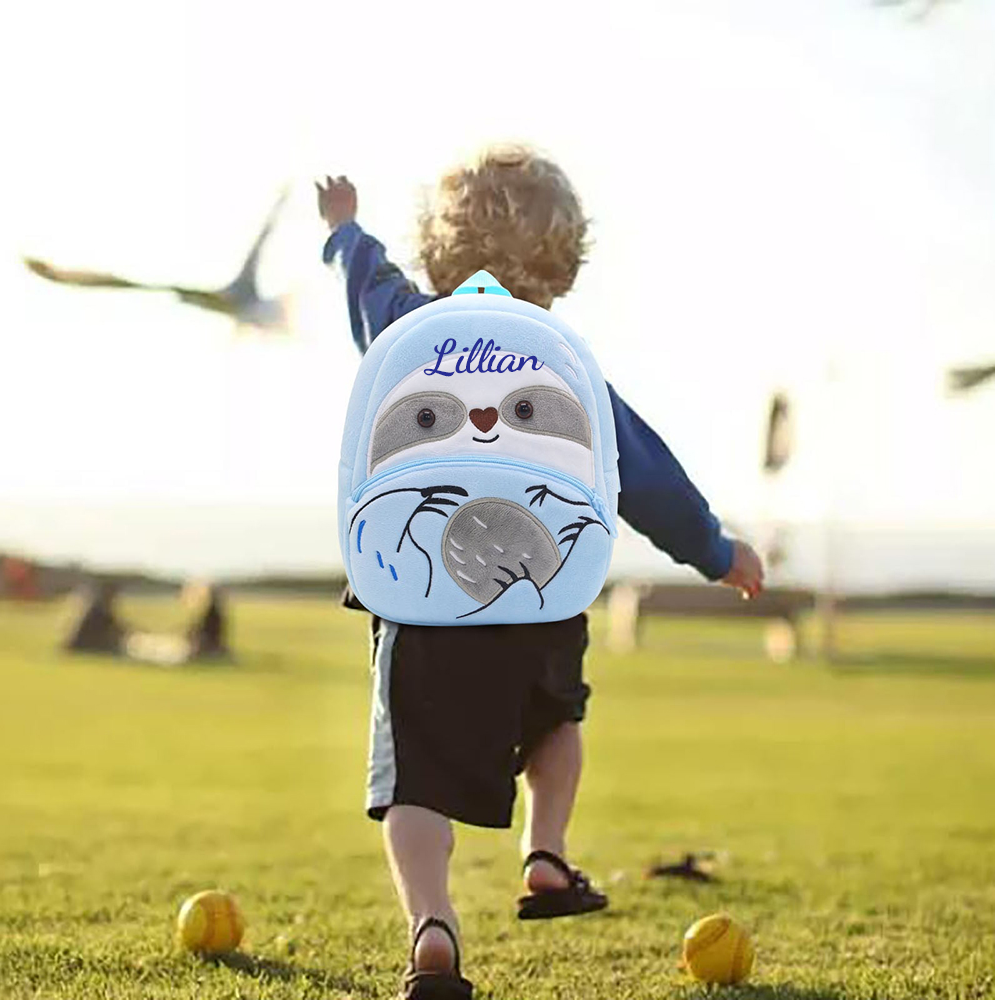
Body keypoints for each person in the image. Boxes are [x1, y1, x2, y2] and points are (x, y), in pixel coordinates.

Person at [318, 143, 764, 999]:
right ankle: (546, 849)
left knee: (412, 780)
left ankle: (433, 927)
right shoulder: (565, 364)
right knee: (557, 723)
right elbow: (639, 472)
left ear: (441, 249)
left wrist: (344, 232)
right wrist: (713, 548)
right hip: (539, 596)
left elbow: (365, 284)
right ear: (560, 264)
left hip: (420, 604)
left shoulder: (406, 328)